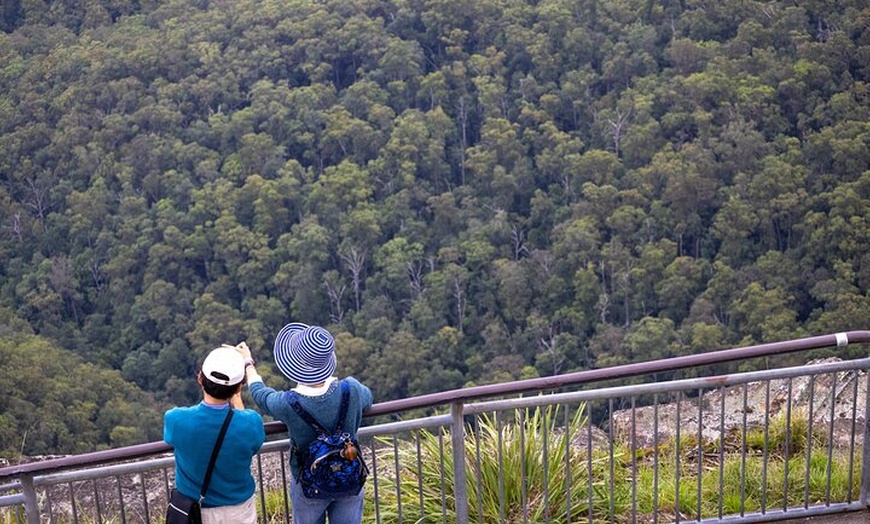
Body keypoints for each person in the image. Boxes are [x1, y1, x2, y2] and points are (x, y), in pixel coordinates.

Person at [237, 323, 373, 524]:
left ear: (296, 365)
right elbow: (368, 398)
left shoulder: (288, 404)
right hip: (349, 475)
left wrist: (248, 364)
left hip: (310, 485)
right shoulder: (351, 389)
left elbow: (261, 395)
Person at [164, 345, 266, 524]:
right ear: (237, 388)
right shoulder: (251, 423)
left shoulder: (177, 420)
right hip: (239, 511)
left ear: (200, 379)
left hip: (195, 512)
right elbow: (251, 439)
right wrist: (237, 401)